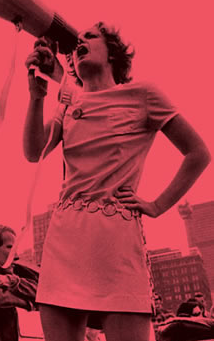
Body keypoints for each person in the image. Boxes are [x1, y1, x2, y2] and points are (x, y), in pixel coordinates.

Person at [23, 22, 211, 341]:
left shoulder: (144, 94)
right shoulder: (67, 104)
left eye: (90, 37)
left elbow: (198, 153)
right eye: (77, 41)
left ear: (112, 52)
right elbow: (33, 152)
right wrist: (36, 96)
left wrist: (157, 205)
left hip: (115, 239)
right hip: (65, 237)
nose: (80, 41)